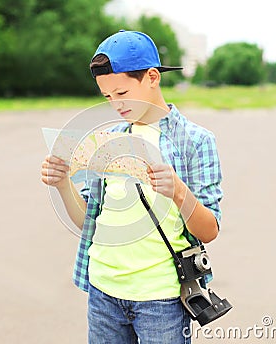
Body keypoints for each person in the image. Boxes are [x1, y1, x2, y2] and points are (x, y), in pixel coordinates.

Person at [41, 30, 223, 344]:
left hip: (161, 300)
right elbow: (88, 221)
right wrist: (62, 185)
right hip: (102, 293)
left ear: (152, 77)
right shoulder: (107, 139)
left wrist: (179, 191)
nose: (115, 105)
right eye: (108, 97)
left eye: (122, 93)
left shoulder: (196, 141)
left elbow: (209, 231)